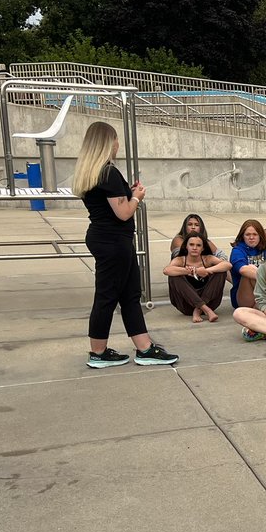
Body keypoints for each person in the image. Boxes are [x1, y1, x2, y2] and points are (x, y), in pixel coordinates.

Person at [76, 122, 176, 368]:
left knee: (130, 294)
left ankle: (143, 347)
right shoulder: (107, 172)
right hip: (113, 241)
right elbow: (123, 213)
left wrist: (128, 194)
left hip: (107, 238)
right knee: (107, 296)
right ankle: (98, 352)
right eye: (115, 139)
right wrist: (136, 197)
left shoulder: (93, 172)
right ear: (107, 142)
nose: (117, 144)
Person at [164, 234, 231, 323]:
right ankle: (205, 309)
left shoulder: (208, 259)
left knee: (221, 272)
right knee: (174, 276)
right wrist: (192, 271)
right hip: (186, 306)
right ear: (186, 247)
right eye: (191, 245)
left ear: (203, 248)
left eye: (198, 245)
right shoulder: (180, 260)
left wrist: (206, 270)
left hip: (210, 302)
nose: (195, 248)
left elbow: (228, 265)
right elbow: (166, 270)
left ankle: (198, 309)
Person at [228, 219, 266, 310]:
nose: (251, 237)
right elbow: (242, 269)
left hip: (262, 291)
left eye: (255, 234)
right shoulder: (237, 250)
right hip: (242, 298)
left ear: (260, 235)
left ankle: (263, 306)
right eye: (248, 234)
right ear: (243, 236)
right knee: (249, 270)